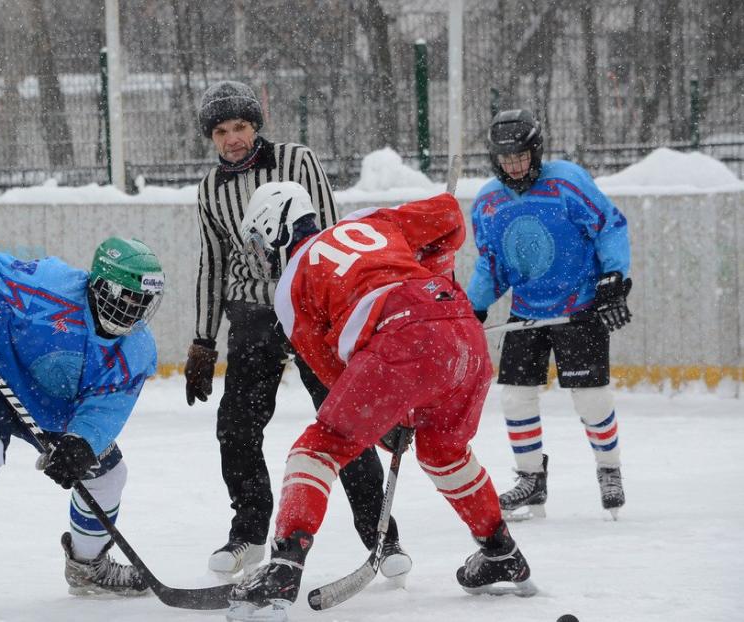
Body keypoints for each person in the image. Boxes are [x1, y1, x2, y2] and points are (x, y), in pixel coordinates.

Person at [227, 182, 535, 618]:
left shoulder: (290, 288)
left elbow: (336, 375)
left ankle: (283, 565)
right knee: (444, 452)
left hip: (400, 338)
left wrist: (386, 417)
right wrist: (434, 273)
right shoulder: (366, 220)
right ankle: (500, 551)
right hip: (462, 328)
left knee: (319, 446)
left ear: (274, 228)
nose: (262, 253)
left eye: (260, 241)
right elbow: (448, 216)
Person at [183, 80, 410, 580]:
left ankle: (380, 536)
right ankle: (248, 531)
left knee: (341, 421)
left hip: (312, 310)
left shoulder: (297, 160)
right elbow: (213, 265)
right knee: (236, 426)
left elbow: (330, 239)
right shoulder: (209, 191)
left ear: (255, 126)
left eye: (239, 127)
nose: (231, 139)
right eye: (221, 131)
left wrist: (348, 317)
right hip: (253, 314)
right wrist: (203, 340)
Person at [0, 238, 165, 616]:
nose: (131, 311)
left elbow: (107, 409)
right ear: (99, 285)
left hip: (52, 405)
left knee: (108, 477)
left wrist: (82, 442)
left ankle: (88, 567)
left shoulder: (136, 349)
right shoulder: (50, 282)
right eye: (125, 298)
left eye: (142, 304)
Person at [466, 109, 632, 520]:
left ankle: (608, 468)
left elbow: (610, 226)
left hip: (579, 309)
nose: (515, 166)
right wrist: (473, 305)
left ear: (536, 152)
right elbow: (491, 263)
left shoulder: (567, 182)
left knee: (592, 399)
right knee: (515, 398)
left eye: (521, 157)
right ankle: (531, 479)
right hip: (526, 312)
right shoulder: (488, 202)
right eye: (506, 160)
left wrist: (614, 276)